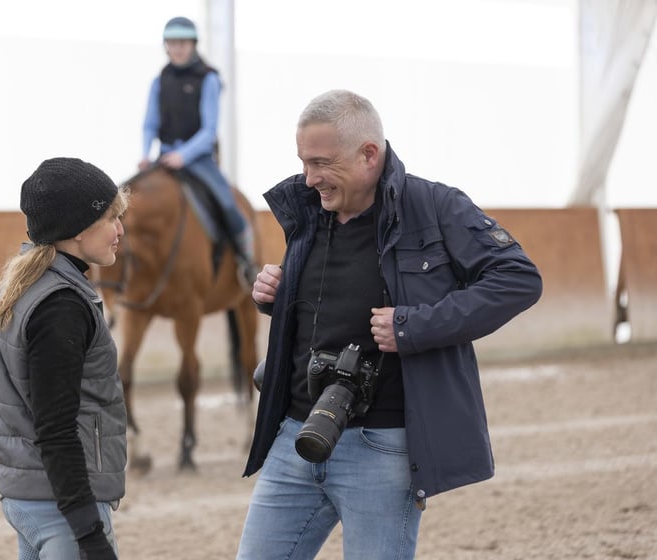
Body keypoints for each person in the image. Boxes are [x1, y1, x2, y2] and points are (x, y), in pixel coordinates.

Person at [238, 90, 543, 559]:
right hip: (294, 437)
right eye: (303, 161)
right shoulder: (307, 207)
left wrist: (413, 327)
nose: (309, 177)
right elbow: (330, 300)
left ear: (369, 154)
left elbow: (519, 279)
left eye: (321, 162)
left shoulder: (436, 206)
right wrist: (278, 297)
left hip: (381, 448)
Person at [0, 157, 129, 560]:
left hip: (33, 495)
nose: (120, 230)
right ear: (79, 230)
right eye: (111, 218)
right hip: (63, 506)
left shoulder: (32, 287)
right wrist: (89, 531)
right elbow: (57, 428)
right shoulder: (60, 306)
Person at [139, 15, 256, 287]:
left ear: (193, 45)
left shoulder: (209, 79)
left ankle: (247, 262)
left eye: (183, 43)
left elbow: (209, 131)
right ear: (165, 46)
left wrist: (184, 156)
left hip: (198, 158)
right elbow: (150, 123)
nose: (177, 48)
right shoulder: (160, 80)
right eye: (172, 43)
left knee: (228, 204)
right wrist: (146, 154)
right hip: (165, 157)